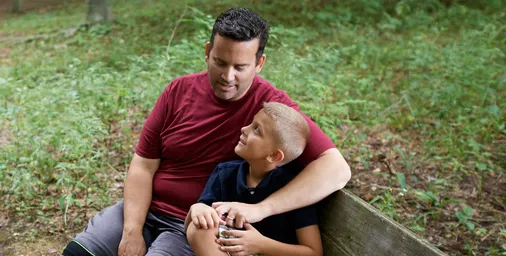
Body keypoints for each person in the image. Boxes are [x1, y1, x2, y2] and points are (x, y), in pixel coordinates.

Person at [63, 7, 350, 256]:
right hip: (143, 211)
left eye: (240, 67)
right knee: (78, 252)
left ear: (259, 64)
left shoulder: (272, 111)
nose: (228, 77)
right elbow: (143, 165)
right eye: (220, 63)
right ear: (207, 52)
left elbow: (337, 169)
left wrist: (261, 209)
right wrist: (132, 230)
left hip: (196, 224)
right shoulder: (177, 91)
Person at [187, 102, 321, 256]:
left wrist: (262, 245)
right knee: (199, 228)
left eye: (257, 130)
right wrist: (197, 209)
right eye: (251, 123)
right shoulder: (225, 174)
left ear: (274, 155)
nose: (244, 129)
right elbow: (192, 229)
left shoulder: (293, 189)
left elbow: (313, 252)